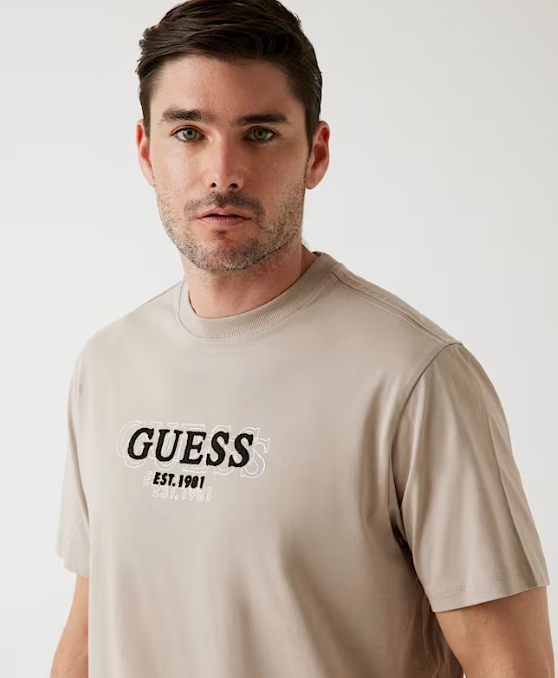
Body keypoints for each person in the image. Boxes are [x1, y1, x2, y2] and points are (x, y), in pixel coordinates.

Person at [50, 1, 554, 677]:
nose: (222, 171)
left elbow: (510, 666)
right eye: (189, 133)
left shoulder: (414, 378)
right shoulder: (108, 365)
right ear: (146, 151)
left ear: (315, 153)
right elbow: (90, 631)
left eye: (259, 133)